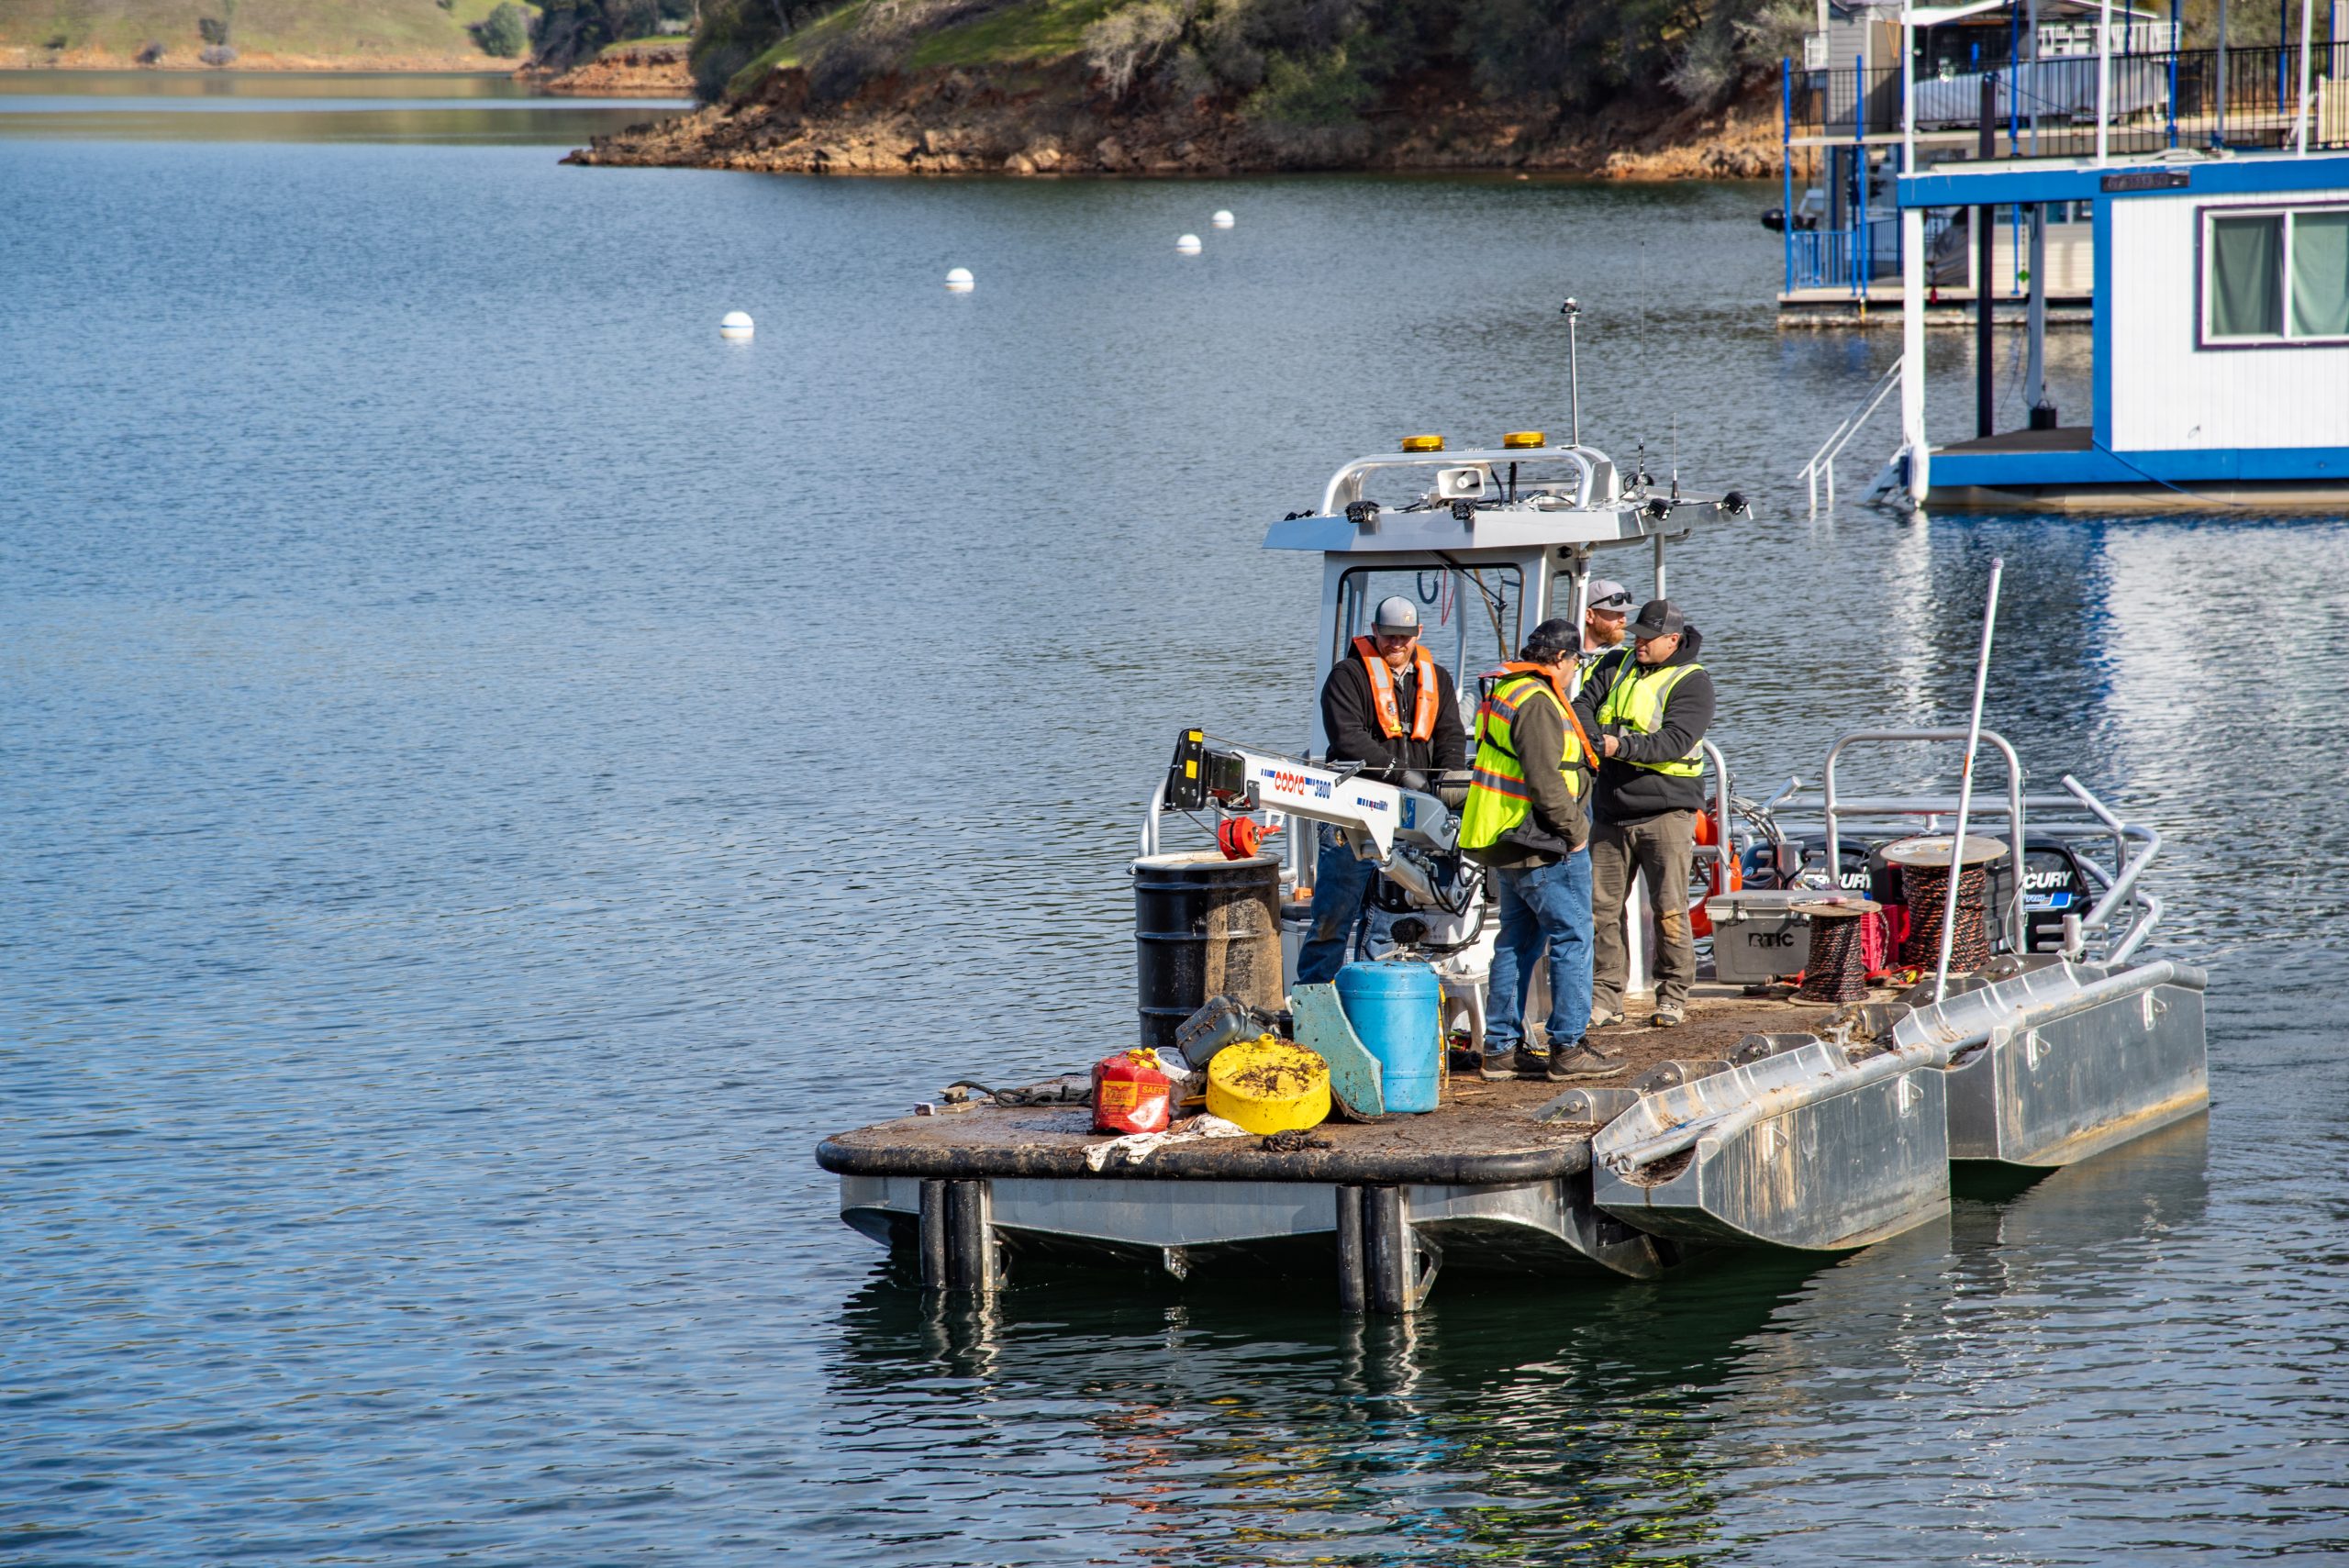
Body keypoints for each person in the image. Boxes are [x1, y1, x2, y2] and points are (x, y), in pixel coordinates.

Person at [1456, 617, 1620, 1081]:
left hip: (1508, 839)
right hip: (1543, 842)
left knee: (1517, 942)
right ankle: (1568, 1047)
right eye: (1575, 664)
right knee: (1573, 939)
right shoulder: (1539, 702)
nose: (1574, 673)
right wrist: (1576, 832)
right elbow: (1546, 782)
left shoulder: (1509, 690)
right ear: (1564, 660)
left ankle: (1501, 1049)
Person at [1296, 595, 1467, 984]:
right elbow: (1347, 736)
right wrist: (1401, 774)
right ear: (1375, 633)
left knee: (1399, 910)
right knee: (1333, 913)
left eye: (1405, 637)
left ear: (1418, 634)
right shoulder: (1348, 675)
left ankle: (1388, 991)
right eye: (1390, 636)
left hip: (1416, 814)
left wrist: (1449, 779)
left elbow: (1450, 734)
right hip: (1353, 812)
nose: (1397, 644)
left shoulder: (1436, 677)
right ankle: (1313, 994)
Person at [1575, 598, 1715, 1030]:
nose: (1638, 643)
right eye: (1636, 634)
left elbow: (1674, 741)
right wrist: (1599, 737)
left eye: (1648, 638)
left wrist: (1620, 746)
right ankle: (1605, 998)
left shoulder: (1693, 682)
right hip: (1609, 813)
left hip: (1666, 814)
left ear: (1672, 640)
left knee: (1670, 909)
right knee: (1602, 911)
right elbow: (1580, 706)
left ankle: (1672, 996)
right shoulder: (1615, 664)